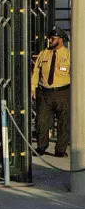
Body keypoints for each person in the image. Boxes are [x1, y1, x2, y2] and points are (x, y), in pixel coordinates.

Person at [31, 26, 71, 157]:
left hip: (62, 93)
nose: (50, 41)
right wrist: (33, 88)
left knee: (63, 122)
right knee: (42, 121)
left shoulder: (69, 55)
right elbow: (36, 71)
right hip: (45, 93)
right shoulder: (44, 54)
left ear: (60, 39)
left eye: (53, 38)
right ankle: (41, 146)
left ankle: (60, 149)